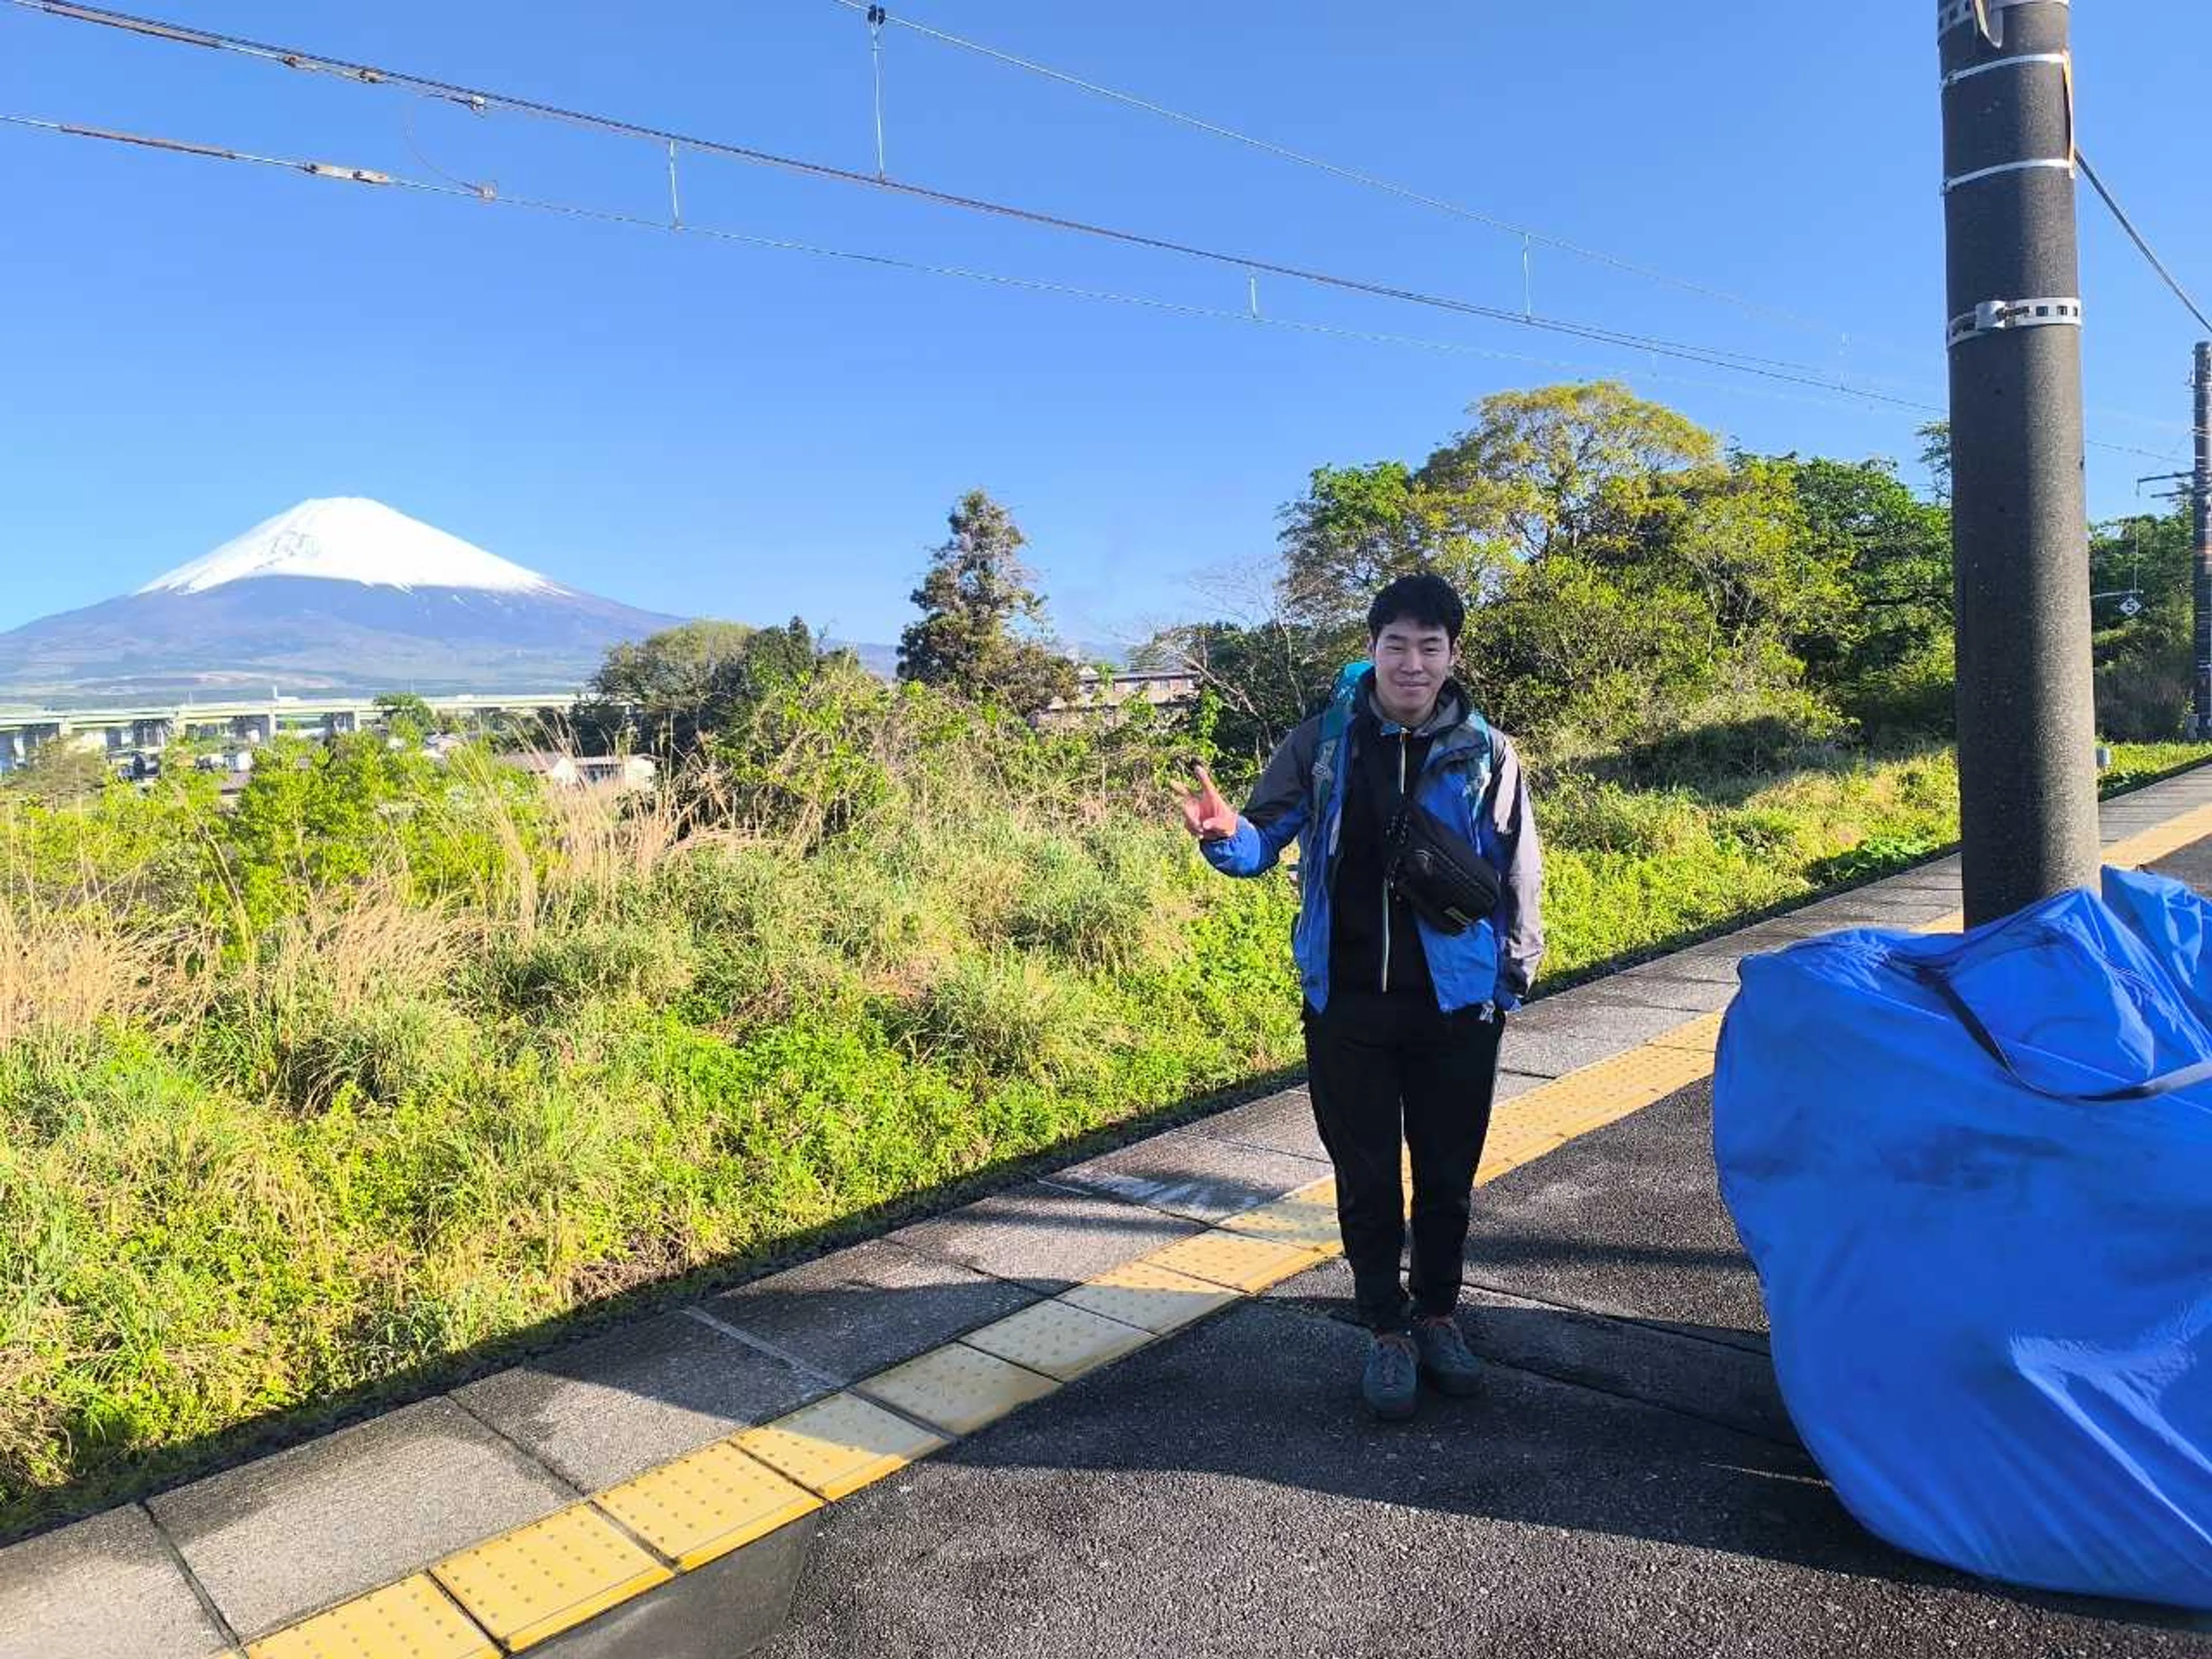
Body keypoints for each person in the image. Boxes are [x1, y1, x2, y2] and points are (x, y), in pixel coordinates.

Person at [1178, 573, 1543, 1421]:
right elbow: (1262, 845)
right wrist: (1224, 838)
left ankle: (1441, 1313)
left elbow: (1519, 869)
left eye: (1430, 646)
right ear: (1372, 648)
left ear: (1453, 655)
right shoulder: (1322, 745)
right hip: (1348, 1007)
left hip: (1456, 1010)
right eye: (1396, 645)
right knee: (1367, 1177)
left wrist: (1509, 982)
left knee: (1448, 1176)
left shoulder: (1488, 752)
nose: (1412, 664)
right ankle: (1385, 1325)